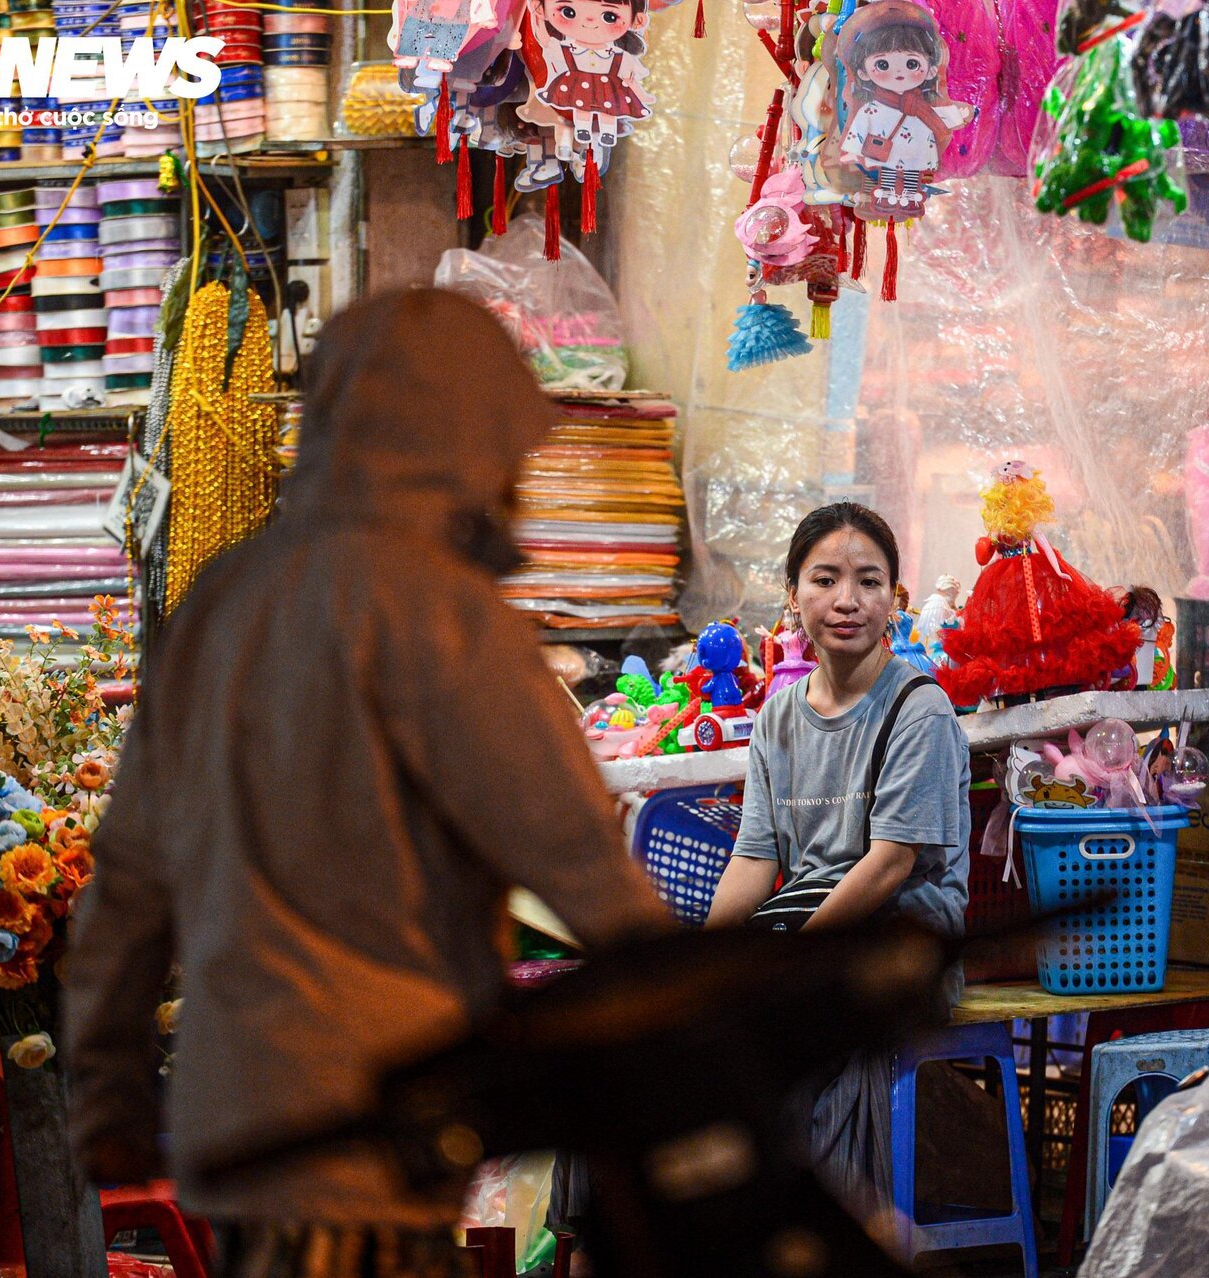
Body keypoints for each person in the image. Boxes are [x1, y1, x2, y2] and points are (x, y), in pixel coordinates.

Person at [61, 289, 673, 1275]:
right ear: (461, 443)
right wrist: (702, 1022)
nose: (516, 485)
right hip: (361, 1131)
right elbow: (575, 861)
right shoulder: (437, 613)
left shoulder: (224, 600)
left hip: (236, 1119)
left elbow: (127, 886)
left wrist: (107, 1097)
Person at [704, 502, 973, 1219]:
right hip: (805, 928)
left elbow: (889, 865)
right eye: (825, 579)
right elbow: (754, 861)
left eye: (869, 581)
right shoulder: (778, 717)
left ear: (895, 598)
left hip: (904, 936)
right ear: (792, 596)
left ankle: (804, 1229)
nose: (848, 601)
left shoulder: (919, 710)